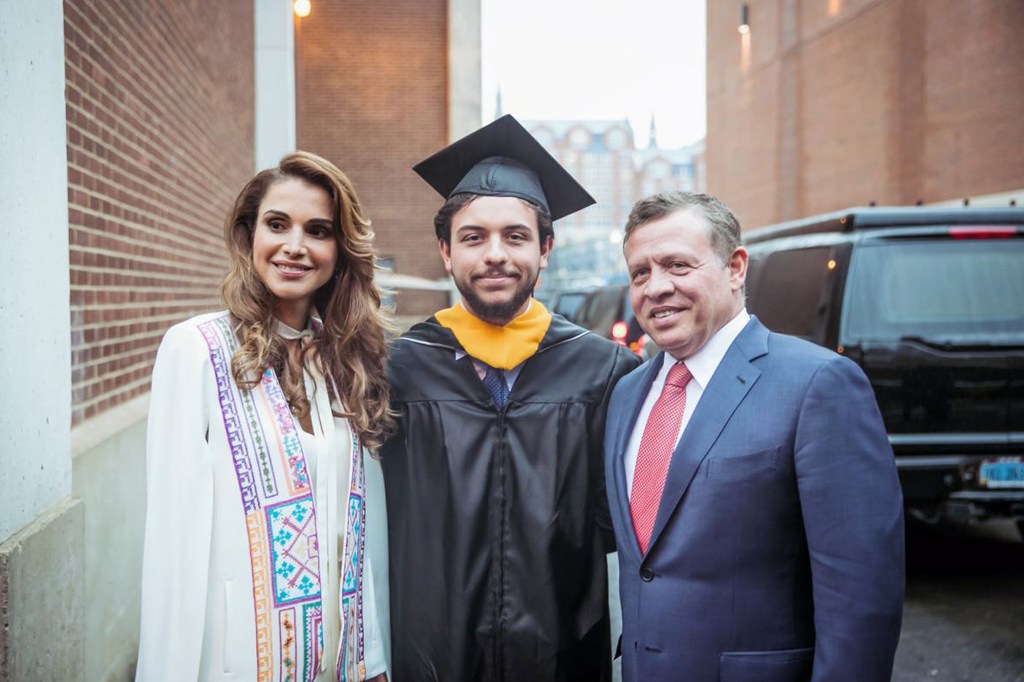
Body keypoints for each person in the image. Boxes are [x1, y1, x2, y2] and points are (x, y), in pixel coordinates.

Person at [380, 115, 641, 681]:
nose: (495, 253)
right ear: (445, 251)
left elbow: (620, 517)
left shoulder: (606, 371)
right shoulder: (396, 370)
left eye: (516, 236)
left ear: (545, 249)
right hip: (432, 653)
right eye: (473, 237)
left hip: (561, 652)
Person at [604, 191, 905, 682]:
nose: (656, 287)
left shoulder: (818, 384)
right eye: (641, 272)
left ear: (736, 267)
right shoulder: (627, 394)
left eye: (678, 265)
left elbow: (860, 595)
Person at [136, 152, 393, 682]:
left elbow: (358, 531)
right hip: (236, 660)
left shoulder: (344, 362)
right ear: (249, 235)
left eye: (317, 230)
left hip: (338, 662)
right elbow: (172, 543)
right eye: (278, 225)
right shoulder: (197, 350)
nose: (295, 246)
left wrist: (375, 660)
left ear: (339, 252)